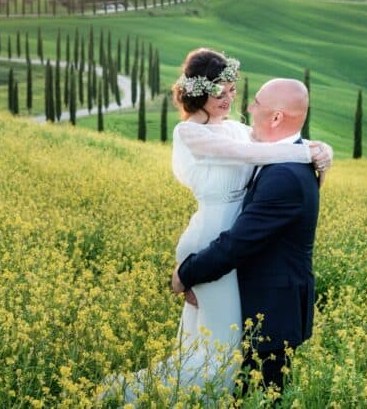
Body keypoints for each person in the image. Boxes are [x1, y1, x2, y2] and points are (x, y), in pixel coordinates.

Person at [107, 48, 332, 403]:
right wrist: (188, 272)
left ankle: (181, 396)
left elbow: (276, 134)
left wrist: (321, 148)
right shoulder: (190, 133)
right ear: (199, 92)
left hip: (228, 248)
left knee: (217, 347)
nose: (231, 99)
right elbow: (256, 153)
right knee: (219, 349)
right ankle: (140, 396)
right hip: (210, 239)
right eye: (220, 91)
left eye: (233, 90)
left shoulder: (235, 129)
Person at [172, 76, 323, 396]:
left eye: (256, 103)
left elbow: (236, 244)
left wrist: (185, 274)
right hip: (262, 308)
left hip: (270, 314)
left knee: (255, 397)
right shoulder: (283, 156)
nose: (248, 108)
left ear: (277, 117)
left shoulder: (284, 175)